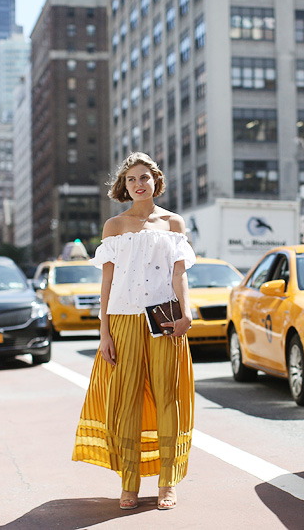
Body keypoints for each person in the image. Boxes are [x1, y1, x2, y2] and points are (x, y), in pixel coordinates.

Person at [72, 152, 196, 511]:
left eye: (145, 177)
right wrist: (104, 332)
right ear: (124, 186)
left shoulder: (174, 223)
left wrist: (186, 314)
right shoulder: (114, 226)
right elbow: (107, 280)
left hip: (165, 318)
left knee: (166, 397)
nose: (139, 184)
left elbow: (179, 274)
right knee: (125, 399)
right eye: (131, 179)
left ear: (156, 180)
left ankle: (168, 482)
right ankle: (129, 482)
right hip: (123, 318)